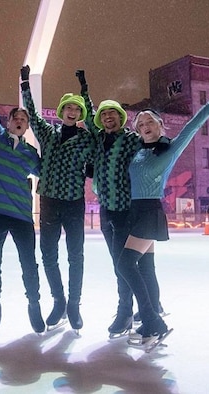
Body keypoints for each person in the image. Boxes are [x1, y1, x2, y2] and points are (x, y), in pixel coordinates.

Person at [118, 76, 209, 346]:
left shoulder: (170, 149)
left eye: (150, 122)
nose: (145, 127)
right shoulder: (138, 151)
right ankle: (151, 319)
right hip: (136, 211)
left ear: (160, 125)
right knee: (145, 268)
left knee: (124, 264)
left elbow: (195, 123)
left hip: (149, 212)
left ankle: (153, 322)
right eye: (140, 124)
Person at [20, 65, 96, 333]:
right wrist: (25, 82)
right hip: (50, 202)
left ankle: (74, 305)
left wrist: (85, 92)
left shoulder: (87, 140)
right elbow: (31, 112)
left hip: (74, 202)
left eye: (77, 109)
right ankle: (59, 301)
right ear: (62, 110)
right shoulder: (48, 134)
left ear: (80, 114)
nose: (72, 112)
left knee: (76, 255)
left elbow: (98, 126)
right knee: (48, 255)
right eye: (69, 108)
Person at [0, 50, 44, 334]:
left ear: (27, 127)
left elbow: (46, 173)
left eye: (24, 120)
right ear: (8, 121)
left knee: (30, 263)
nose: (19, 121)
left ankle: (34, 305)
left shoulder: (30, 153)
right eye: (16, 117)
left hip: (22, 216)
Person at [76, 70, 144, 338]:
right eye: (104, 115)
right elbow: (89, 116)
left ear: (120, 117)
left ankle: (126, 310)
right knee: (120, 262)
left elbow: (149, 143)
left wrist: (161, 142)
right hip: (107, 211)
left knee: (123, 263)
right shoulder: (98, 140)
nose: (107, 117)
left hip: (126, 210)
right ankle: (138, 307)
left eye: (112, 113)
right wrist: (84, 87)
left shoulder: (130, 140)